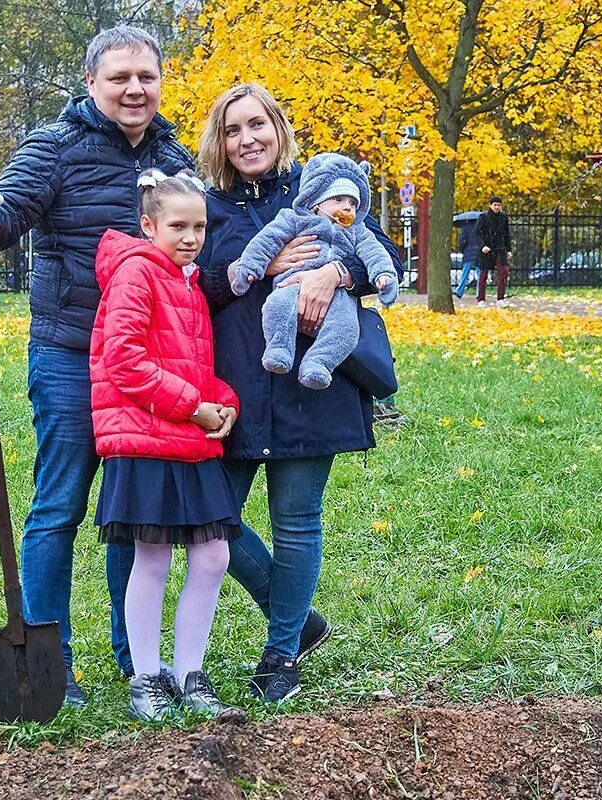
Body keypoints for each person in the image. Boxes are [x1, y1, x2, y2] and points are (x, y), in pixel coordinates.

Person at [0, 26, 195, 707]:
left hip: (144, 364)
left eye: (147, 76)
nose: (135, 89)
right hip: (71, 354)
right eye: (120, 78)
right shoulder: (54, 148)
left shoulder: (175, 156)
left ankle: (133, 657)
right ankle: (51, 664)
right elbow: (8, 215)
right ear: (91, 84)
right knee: (59, 507)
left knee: (131, 512)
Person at [195, 83, 401, 702]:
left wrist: (334, 271)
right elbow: (193, 282)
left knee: (297, 522)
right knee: (212, 521)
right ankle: (299, 618)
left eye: (257, 124)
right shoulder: (209, 207)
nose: (247, 139)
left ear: (278, 127)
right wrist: (267, 267)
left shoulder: (317, 189)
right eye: (233, 130)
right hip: (235, 386)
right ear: (219, 142)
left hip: (313, 388)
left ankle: (281, 653)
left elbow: (383, 253)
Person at [90, 171, 242, 721]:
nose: (191, 236)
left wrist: (222, 401)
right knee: (150, 558)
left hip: (189, 435)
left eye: (199, 226)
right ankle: (147, 679)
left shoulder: (189, 281)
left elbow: (196, 365)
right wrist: (193, 406)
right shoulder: (136, 274)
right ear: (148, 224)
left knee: (213, 555)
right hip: (144, 437)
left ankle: (189, 672)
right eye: (178, 225)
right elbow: (123, 360)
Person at [232, 152, 399, 389]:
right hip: (291, 284)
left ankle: (318, 364)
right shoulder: (294, 219)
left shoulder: (358, 231)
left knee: (346, 330)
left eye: (353, 203)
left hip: (339, 297)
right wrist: (250, 266)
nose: (347, 208)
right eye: (339, 200)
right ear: (317, 201)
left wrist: (383, 275)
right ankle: (279, 349)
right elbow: (266, 241)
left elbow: (376, 253)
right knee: (277, 306)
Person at [473, 196, 512, 307]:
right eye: (495, 205)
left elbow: (506, 234)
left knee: (504, 271)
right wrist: (482, 246)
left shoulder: (503, 217)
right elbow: (477, 233)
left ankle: (500, 299)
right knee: (483, 274)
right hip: (486, 250)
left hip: (500, 249)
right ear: (490, 205)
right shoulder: (484, 217)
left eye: (499, 205)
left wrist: (508, 250)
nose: (497, 207)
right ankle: (481, 299)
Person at [452, 215, 482, 298]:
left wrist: (463, 250)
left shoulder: (465, 228)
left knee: (465, 273)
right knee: (480, 274)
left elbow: (461, 241)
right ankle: (480, 293)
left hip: (468, 253)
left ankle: (460, 291)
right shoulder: (481, 228)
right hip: (479, 253)